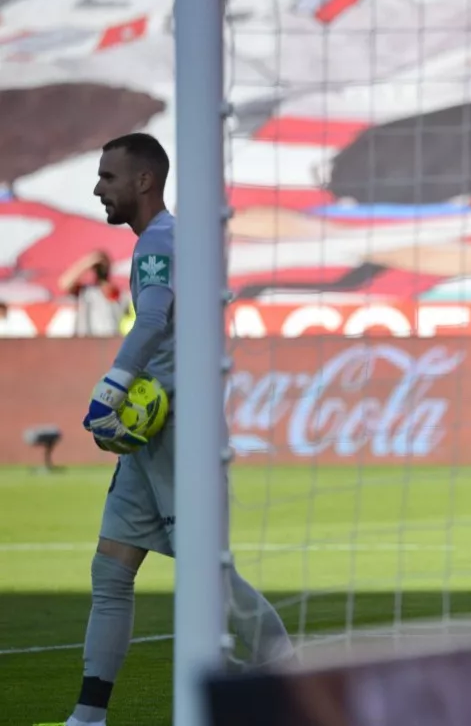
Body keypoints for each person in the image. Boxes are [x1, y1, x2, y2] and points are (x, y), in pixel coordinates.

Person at [56, 133, 294, 726]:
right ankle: (88, 716)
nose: (97, 188)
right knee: (111, 569)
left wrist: (113, 384)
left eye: (108, 177)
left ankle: (295, 683)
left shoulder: (159, 240)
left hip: (178, 433)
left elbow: (155, 316)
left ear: (143, 181)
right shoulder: (174, 238)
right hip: (151, 434)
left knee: (211, 576)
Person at [58, 250, 129, 338]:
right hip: (87, 341)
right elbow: (64, 283)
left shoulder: (117, 292)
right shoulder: (86, 291)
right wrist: (88, 263)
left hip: (110, 340)